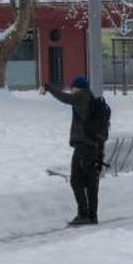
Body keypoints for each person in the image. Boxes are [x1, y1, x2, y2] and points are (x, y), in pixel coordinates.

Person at [45, 74, 111, 226]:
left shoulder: (81, 97)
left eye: (72, 88)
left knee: (76, 181)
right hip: (95, 146)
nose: (70, 90)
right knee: (91, 181)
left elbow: (64, 98)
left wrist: (48, 87)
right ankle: (92, 216)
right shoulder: (92, 100)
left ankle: (83, 214)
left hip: (83, 146)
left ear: (77, 88)